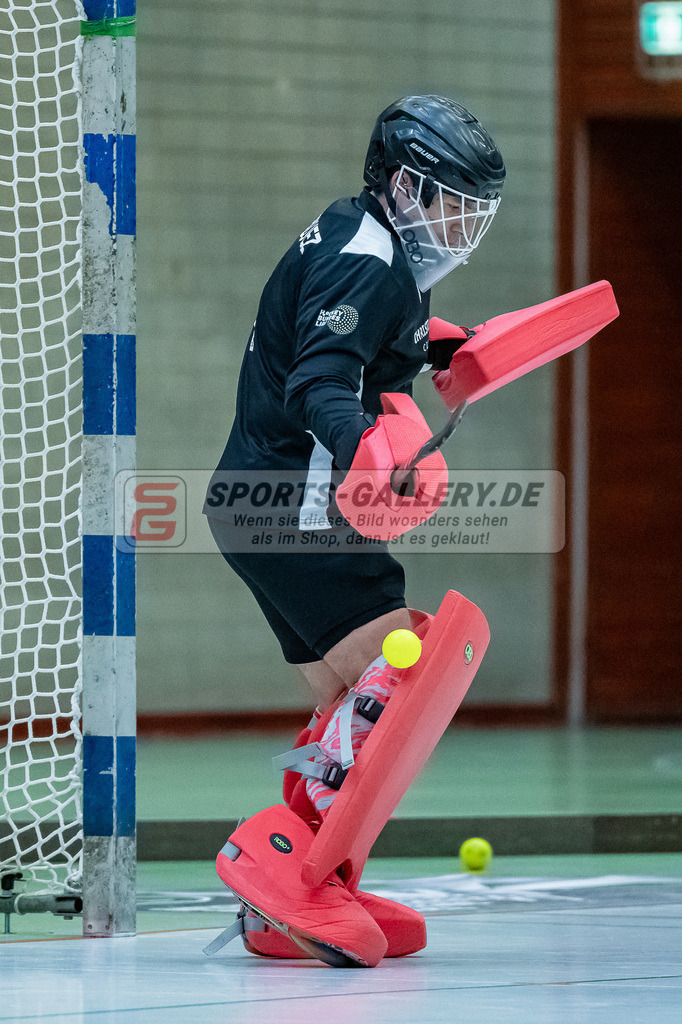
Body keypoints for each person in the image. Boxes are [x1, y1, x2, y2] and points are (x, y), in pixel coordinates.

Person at [203, 94, 505, 966]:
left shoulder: (362, 237)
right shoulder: (368, 261)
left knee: (350, 702)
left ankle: (312, 881)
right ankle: (290, 873)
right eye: (452, 202)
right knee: (404, 670)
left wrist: (449, 347)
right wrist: (369, 449)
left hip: (253, 504)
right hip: (296, 507)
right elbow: (320, 381)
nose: (462, 225)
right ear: (404, 185)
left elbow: (376, 339)